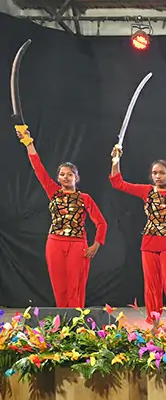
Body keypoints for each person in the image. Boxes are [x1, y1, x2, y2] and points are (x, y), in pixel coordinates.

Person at [15, 127, 107, 308]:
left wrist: (96, 244)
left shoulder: (85, 198)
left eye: (70, 174)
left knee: (76, 286)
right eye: (62, 174)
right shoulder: (54, 192)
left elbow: (101, 223)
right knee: (59, 286)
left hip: (78, 244)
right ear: (58, 178)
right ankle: (63, 321)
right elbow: (38, 168)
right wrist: (28, 143)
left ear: (76, 178)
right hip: (55, 243)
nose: (66, 177)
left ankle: (76, 320)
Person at [109, 146, 166, 323]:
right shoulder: (146, 191)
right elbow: (118, 183)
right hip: (149, 243)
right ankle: (154, 321)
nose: (158, 176)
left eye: (162, 173)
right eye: (155, 173)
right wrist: (116, 160)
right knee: (152, 285)